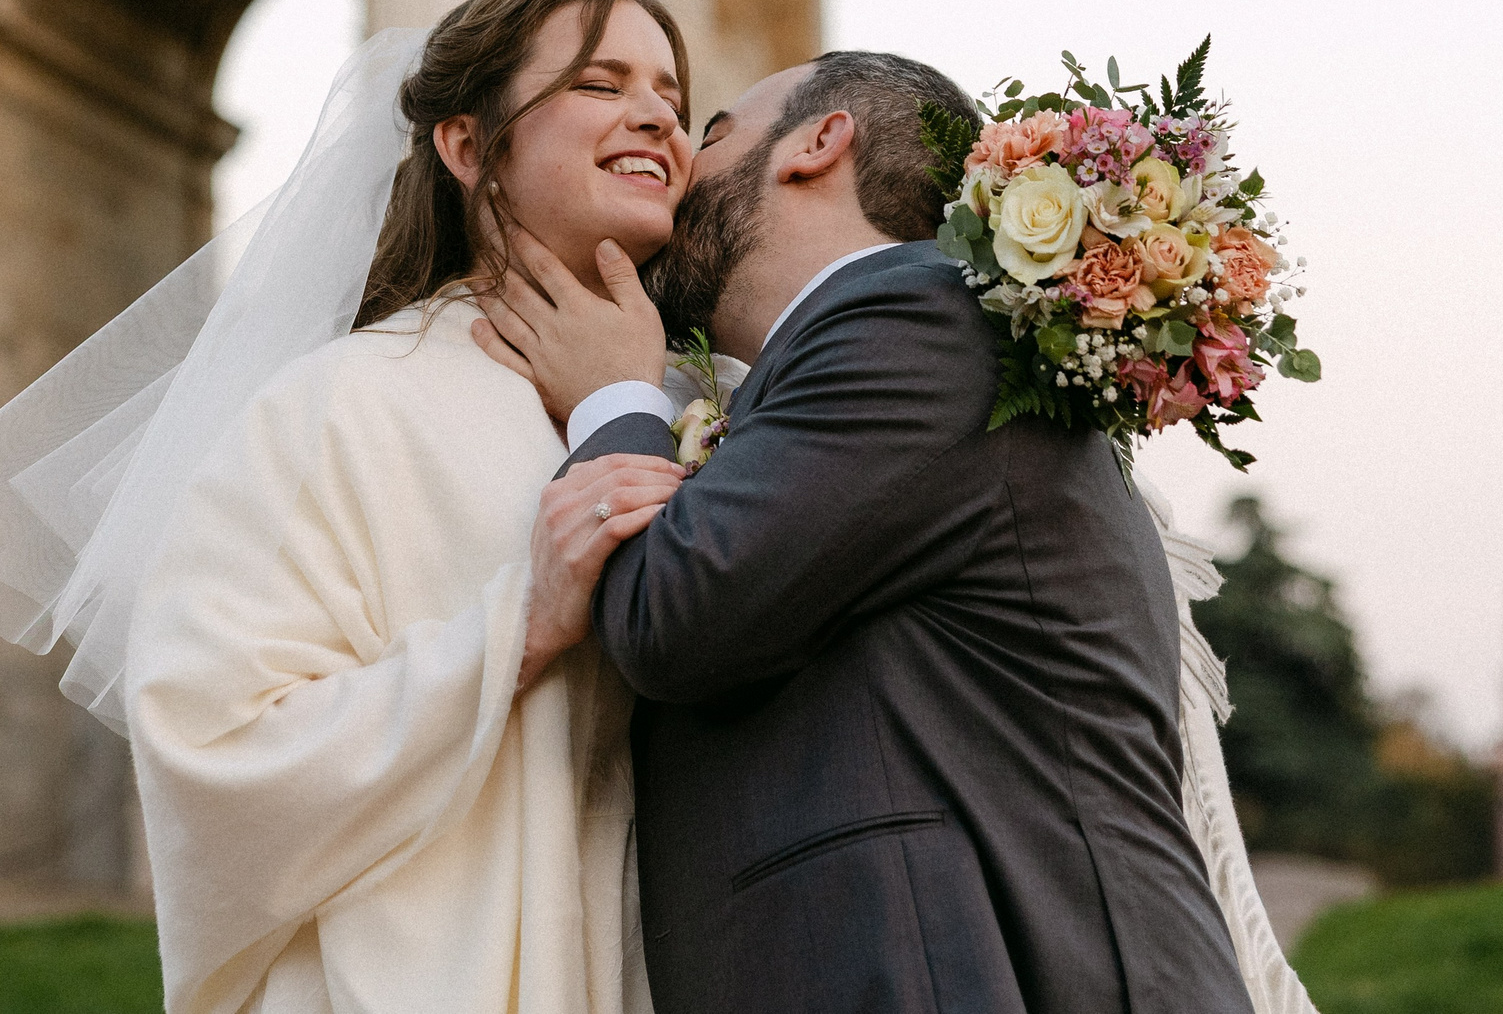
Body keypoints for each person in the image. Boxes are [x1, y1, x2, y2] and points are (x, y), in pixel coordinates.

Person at [0, 0, 698, 1014]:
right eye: (600, 84)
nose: (654, 115)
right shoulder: (335, 406)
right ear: (467, 145)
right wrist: (520, 626)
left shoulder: (706, 400)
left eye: (673, 97)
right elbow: (213, 739)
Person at [476, 51, 1315, 1014]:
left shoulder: (916, 319)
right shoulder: (861, 361)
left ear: (818, 144)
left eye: (711, 134)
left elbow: (676, 612)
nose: (678, 165)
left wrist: (611, 398)